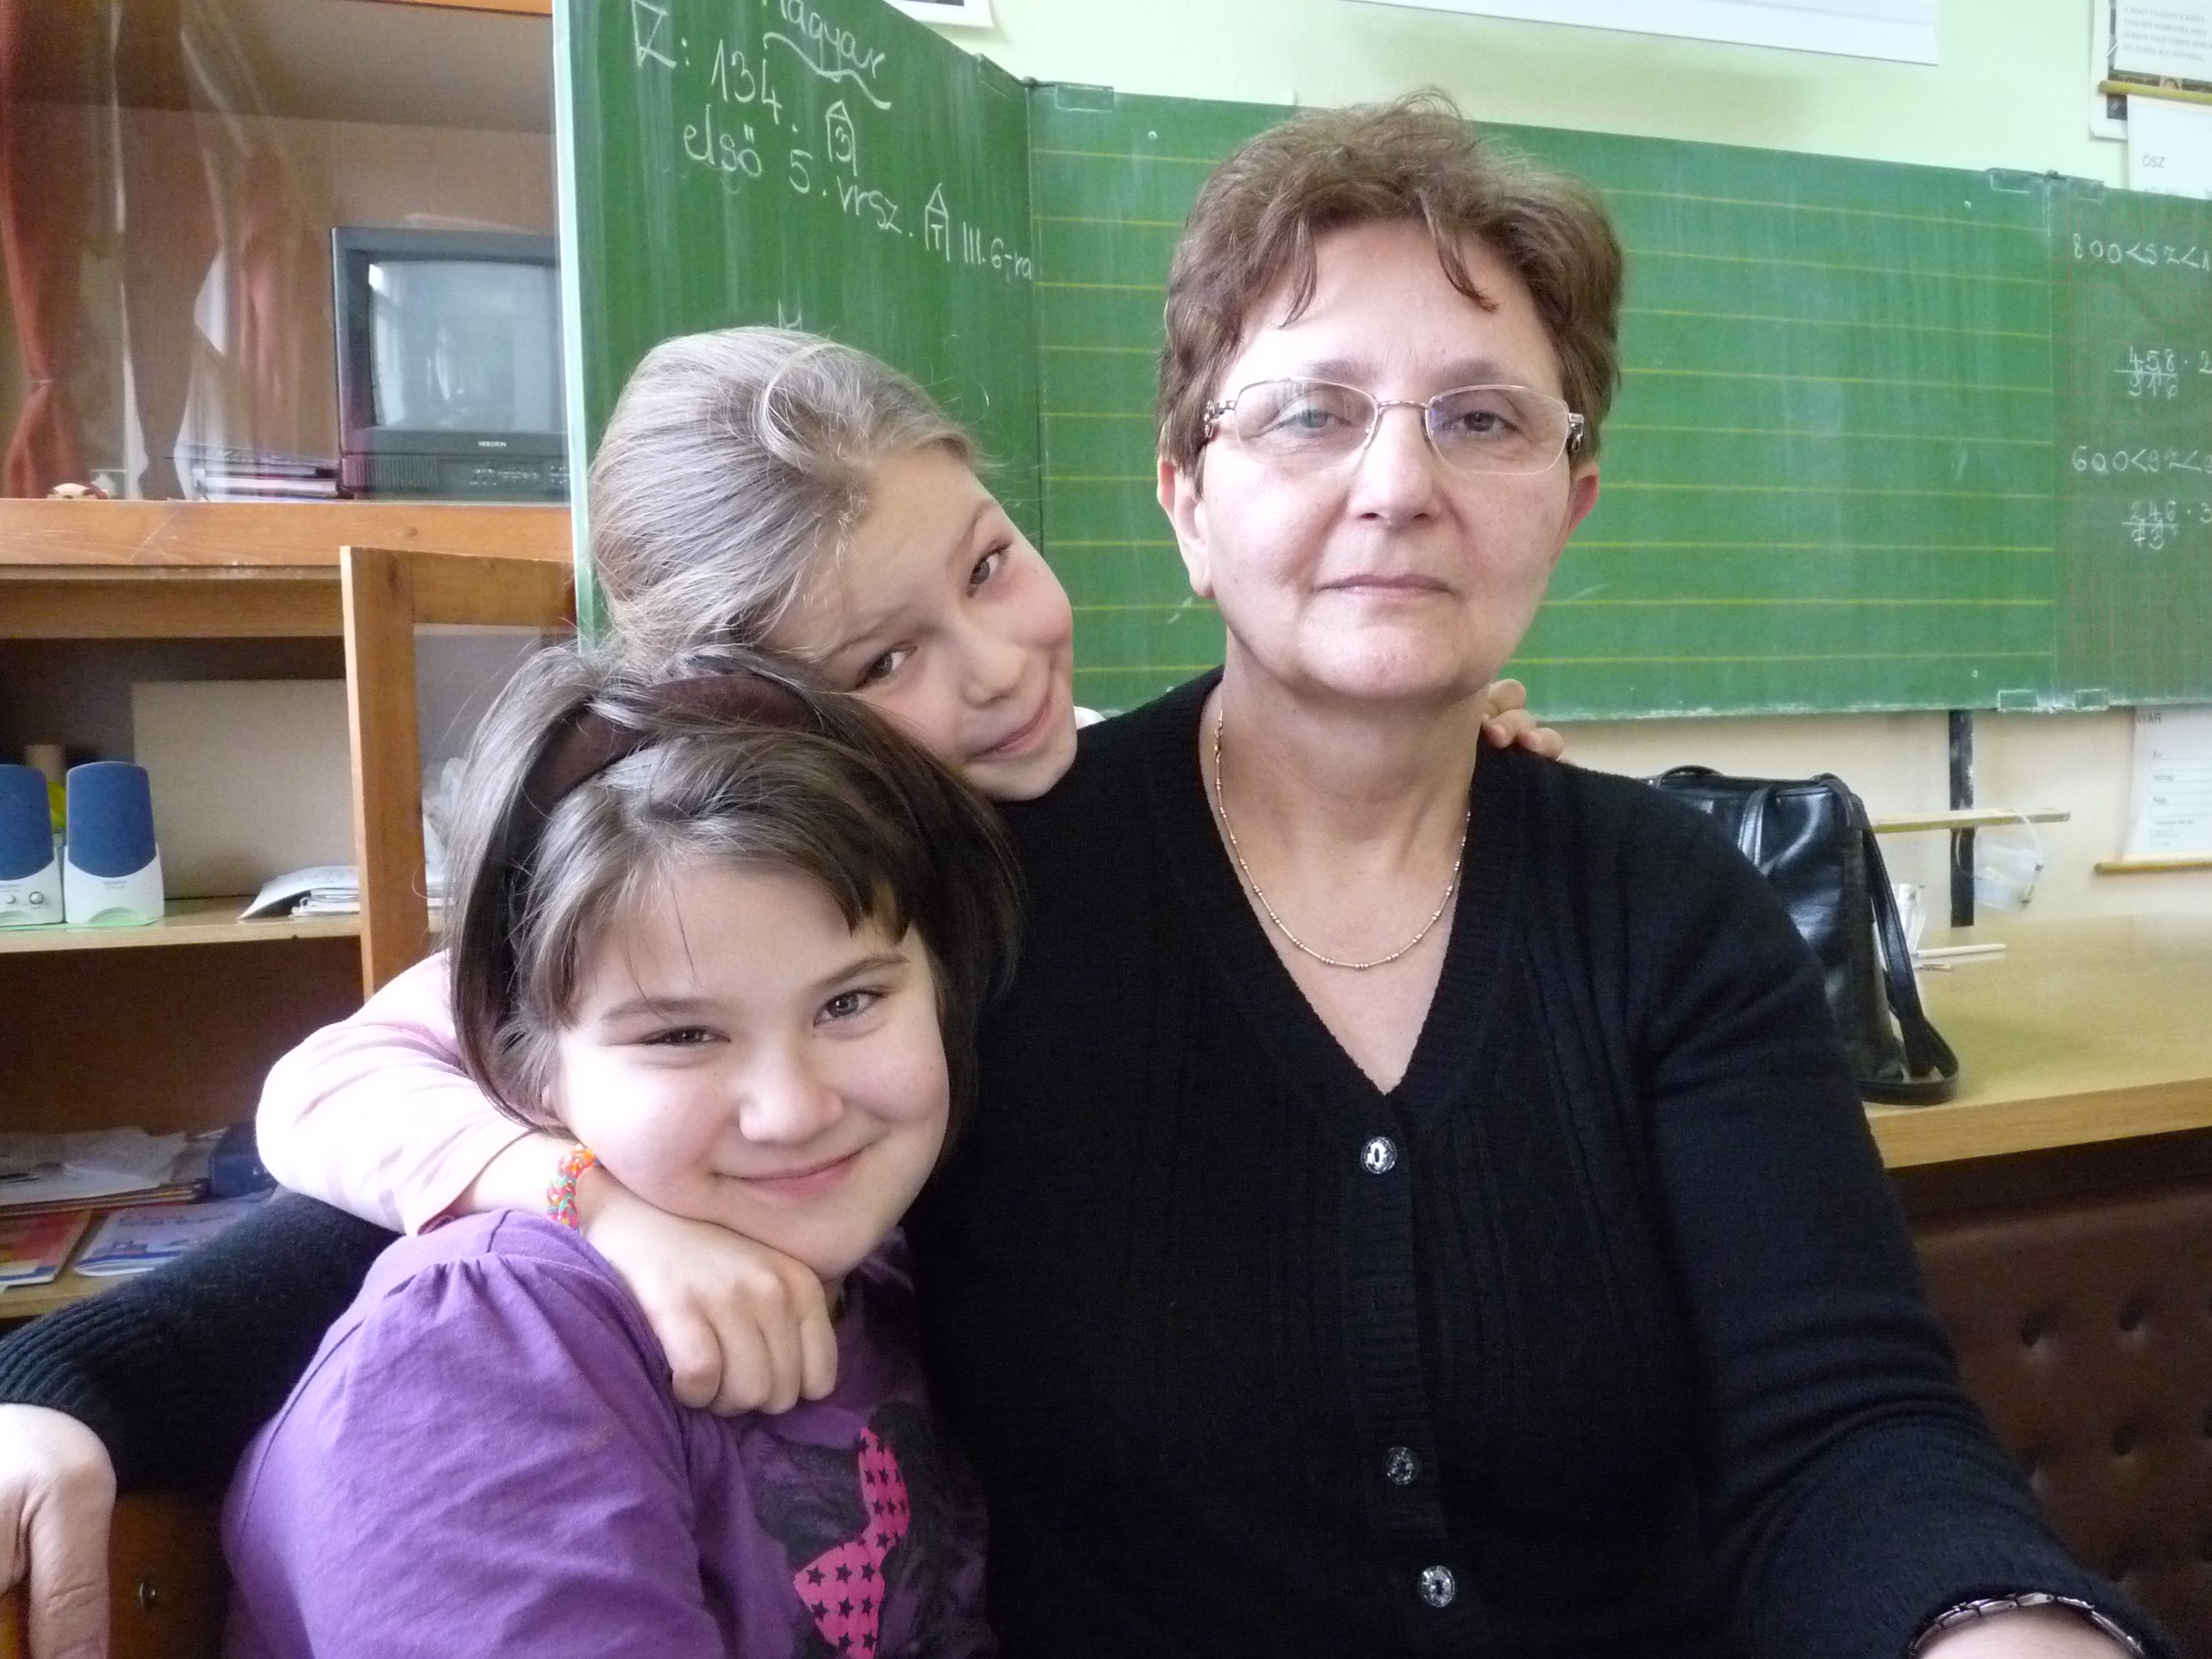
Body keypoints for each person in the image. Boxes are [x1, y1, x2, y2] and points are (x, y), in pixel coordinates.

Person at [0, 94, 2152, 1659]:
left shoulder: (1661, 904)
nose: (1395, 486)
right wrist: (74, 1381)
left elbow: (1843, 1425)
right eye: (1308, 414)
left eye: (1482, 419)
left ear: (1568, 499)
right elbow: (482, 1160)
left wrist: (1996, 1622)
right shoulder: (958, 896)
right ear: (1184, 496)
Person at [0, 319, 1554, 1657]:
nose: (996, 665)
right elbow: (350, 1125)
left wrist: (1411, 761)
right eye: (884, 663)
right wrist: (78, 1377)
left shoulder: (1071, 782)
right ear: (741, 718)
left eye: (989, 563)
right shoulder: (711, 927)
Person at [225, 639, 1020, 1657]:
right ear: (526, 1066)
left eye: (850, 1002)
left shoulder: (904, 1278)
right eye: (681, 1036)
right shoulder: (486, 1345)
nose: (791, 1110)